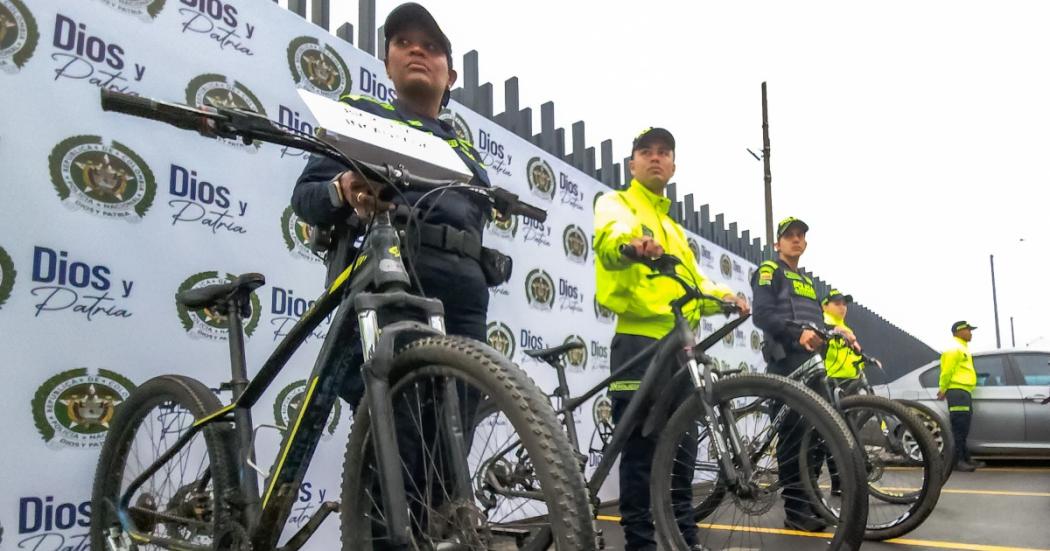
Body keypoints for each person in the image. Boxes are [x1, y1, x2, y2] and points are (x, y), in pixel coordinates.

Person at [292, 2, 492, 408]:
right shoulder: (361, 113)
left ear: (450, 75)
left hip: (466, 291)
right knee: (398, 431)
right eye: (403, 43)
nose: (417, 51)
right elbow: (306, 197)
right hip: (392, 274)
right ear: (387, 64)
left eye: (432, 47)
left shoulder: (467, 151)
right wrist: (344, 188)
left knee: (458, 430)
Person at [593, 127, 748, 551]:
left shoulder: (675, 230)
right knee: (641, 453)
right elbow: (610, 237)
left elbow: (695, 282)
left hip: (681, 350)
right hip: (639, 342)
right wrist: (632, 244)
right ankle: (640, 544)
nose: (655, 158)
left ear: (674, 166)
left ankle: (685, 539)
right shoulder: (617, 204)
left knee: (682, 453)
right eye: (646, 152)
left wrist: (726, 298)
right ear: (632, 164)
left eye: (664, 153)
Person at [750, 216, 829, 531]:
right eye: (789, 236)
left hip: (811, 363)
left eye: (801, 236)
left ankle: (811, 502)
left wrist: (828, 334)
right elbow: (763, 314)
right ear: (777, 244)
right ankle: (796, 512)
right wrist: (796, 335)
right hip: (785, 361)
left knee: (822, 435)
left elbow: (815, 321)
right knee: (793, 437)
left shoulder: (808, 282)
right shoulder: (769, 271)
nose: (796, 240)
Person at [938, 321, 982, 472]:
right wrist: (943, 388)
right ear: (959, 331)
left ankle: (966, 457)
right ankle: (958, 461)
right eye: (968, 330)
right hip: (957, 392)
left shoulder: (962, 348)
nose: (971, 333)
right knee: (959, 428)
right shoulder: (954, 349)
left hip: (964, 392)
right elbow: (946, 371)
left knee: (964, 427)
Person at [821, 289, 865, 389]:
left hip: (852, 380)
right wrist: (834, 329)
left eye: (844, 304)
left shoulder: (846, 328)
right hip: (832, 381)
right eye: (837, 304)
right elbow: (819, 328)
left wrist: (864, 356)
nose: (842, 308)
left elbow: (855, 352)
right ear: (825, 306)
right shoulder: (821, 322)